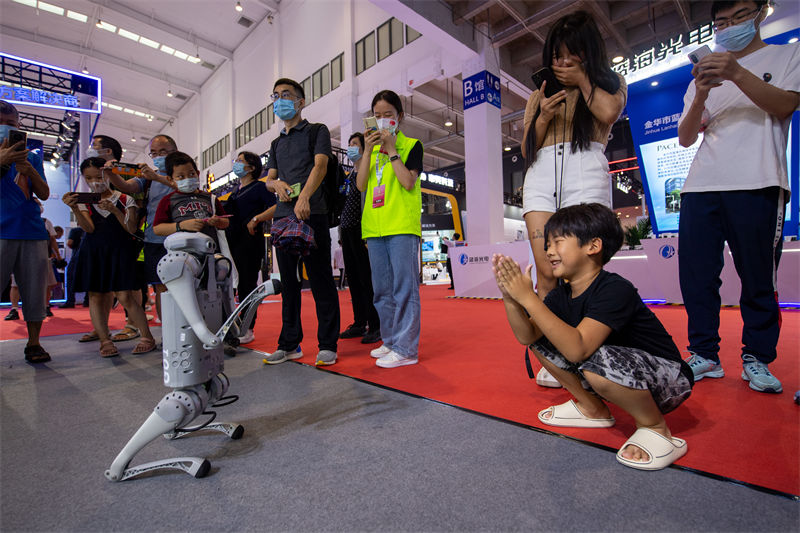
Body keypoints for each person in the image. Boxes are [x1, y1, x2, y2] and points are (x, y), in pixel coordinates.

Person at [493, 203, 693, 470]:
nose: (549, 251)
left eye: (558, 242)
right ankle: (593, 409)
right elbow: (527, 335)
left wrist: (529, 298)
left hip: (669, 377)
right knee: (541, 340)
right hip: (614, 366)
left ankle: (654, 426)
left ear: (593, 246)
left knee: (594, 358)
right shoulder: (560, 295)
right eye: (548, 244)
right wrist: (511, 298)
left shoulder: (614, 288)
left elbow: (579, 350)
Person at [676, 0, 799, 394]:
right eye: (721, 22)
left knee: (759, 277)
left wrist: (738, 73)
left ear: (760, 14)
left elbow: (785, 105)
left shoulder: (786, 54)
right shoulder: (707, 73)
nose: (729, 26)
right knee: (697, 276)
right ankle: (704, 354)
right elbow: (685, 136)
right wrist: (699, 96)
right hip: (701, 186)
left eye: (740, 16)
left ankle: (757, 358)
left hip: (759, 181)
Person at [520, 11, 627, 388]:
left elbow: (609, 112)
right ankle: (555, 359)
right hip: (541, 174)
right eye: (556, 56)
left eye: (570, 56)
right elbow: (525, 148)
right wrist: (542, 119)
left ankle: (590, 349)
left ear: (587, 53)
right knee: (547, 271)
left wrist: (581, 80)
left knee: (583, 268)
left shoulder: (608, 82)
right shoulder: (540, 93)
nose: (562, 63)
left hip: (586, 168)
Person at [261, 78, 340, 366]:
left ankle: (328, 344)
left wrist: (304, 197)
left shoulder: (316, 131)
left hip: (312, 214)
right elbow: (268, 180)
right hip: (282, 219)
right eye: (276, 96)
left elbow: (321, 165)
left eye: (286, 95)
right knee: (289, 284)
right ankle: (289, 343)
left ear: (300, 101)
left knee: (320, 281)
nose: (280, 100)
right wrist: (277, 184)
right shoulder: (276, 143)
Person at [356, 90, 424, 368]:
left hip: (401, 226)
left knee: (404, 289)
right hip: (374, 228)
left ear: (400, 117)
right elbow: (361, 186)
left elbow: (408, 182)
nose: (383, 121)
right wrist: (369, 150)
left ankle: (406, 349)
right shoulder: (370, 152)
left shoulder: (412, 145)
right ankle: (390, 340)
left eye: (389, 116)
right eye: (378, 116)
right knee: (381, 291)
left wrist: (392, 149)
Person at [62, 158, 157, 357]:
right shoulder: (83, 201)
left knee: (126, 296)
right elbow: (88, 228)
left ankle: (146, 336)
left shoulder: (124, 198)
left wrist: (114, 210)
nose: (95, 181)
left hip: (120, 251)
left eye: (99, 176)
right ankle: (105, 340)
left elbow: (131, 229)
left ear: (109, 175)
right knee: (95, 295)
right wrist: (73, 208)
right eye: (89, 178)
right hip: (94, 252)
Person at [105, 134, 178, 323]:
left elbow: (185, 187)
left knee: (184, 286)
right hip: (154, 239)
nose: (158, 156)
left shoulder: (183, 172)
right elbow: (127, 186)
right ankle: (167, 333)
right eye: (154, 153)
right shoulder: (146, 178)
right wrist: (112, 173)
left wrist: (158, 177)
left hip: (181, 238)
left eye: (163, 151)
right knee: (160, 288)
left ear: (174, 152)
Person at [0, 100, 52, 363]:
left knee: (33, 291)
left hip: (31, 231)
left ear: (19, 127)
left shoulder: (31, 156)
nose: (5, 128)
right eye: (0, 123)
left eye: (10, 124)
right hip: (1, 231)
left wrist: (30, 169)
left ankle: (34, 343)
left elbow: (43, 193)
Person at [225, 151, 277, 345]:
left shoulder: (260, 187)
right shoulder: (235, 192)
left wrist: (256, 219)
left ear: (252, 167)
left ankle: (248, 327)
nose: (236, 164)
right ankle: (234, 324)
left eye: (240, 161)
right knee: (233, 286)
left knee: (247, 285)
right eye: (236, 161)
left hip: (250, 241)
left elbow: (275, 207)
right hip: (232, 242)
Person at [339, 132, 381, 344]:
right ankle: (358, 322)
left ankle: (375, 325)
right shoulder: (348, 177)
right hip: (346, 231)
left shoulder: (370, 173)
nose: (350, 147)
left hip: (361, 230)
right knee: (353, 279)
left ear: (365, 149)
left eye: (355, 144)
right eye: (349, 144)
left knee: (367, 279)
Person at [152, 152, 230, 243]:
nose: (187, 178)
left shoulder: (211, 198)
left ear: (198, 173)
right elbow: (157, 229)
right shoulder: (168, 200)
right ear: (170, 180)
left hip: (210, 249)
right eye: (181, 176)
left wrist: (218, 221)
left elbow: (226, 222)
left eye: (192, 174)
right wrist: (181, 226)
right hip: (181, 251)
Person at [59, 226, 85, 308]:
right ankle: (87, 300)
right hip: (89, 257)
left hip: (76, 257)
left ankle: (70, 301)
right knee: (89, 277)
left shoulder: (75, 231)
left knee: (70, 278)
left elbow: (69, 243)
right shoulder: (92, 230)